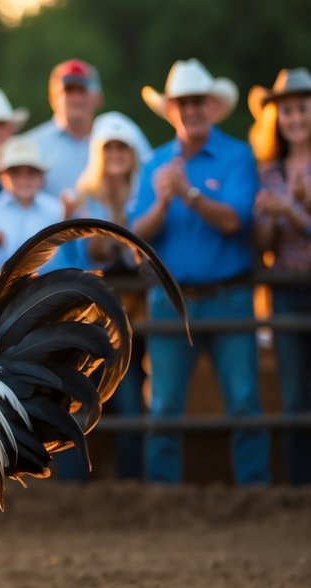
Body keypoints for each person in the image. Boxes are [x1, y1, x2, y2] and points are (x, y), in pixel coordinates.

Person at [130, 58, 269, 485]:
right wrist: (163, 201)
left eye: (197, 101)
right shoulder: (154, 165)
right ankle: (163, 497)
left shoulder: (237, 156)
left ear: (211, 105)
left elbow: (235, 221)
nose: (190, 109)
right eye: (182, 102)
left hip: (228, 297)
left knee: (244, 401)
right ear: (171, 110)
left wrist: (186, 194)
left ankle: (256, 494)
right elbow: (136, 235)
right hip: (171, 302)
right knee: (165, 407)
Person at [67, 111, 155, 480]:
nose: (116, 154)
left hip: (133, 322)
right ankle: (77, 487)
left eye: (123, 147)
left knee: (131, 398)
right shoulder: (83, 199)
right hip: (92, 320)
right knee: (81, 400)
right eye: (110, 147)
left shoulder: (141, 195)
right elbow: (79, 256)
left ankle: (130, 481)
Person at [249, 67, 311, 485]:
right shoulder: (268, 171)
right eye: (287, 111)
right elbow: (263, 245)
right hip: (287, 290)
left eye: (302, 109)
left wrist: (293, 212)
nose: (295, 118)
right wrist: (270, 221)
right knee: (294, 395)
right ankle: (297, 487)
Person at [0, 136, 64, 285]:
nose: (23, 180)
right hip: (5, 299)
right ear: (2, 177)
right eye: (15, 173)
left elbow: (71, 262)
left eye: (30, 173)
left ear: (41, 177)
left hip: (50, 292)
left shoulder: (58, 211)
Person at [21, 59, 103, 205]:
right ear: (52, 98)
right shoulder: (29, 146)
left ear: (98, 98)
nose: (76, 99)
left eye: (82, 91)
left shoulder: (118, 141)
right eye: (69, 91)